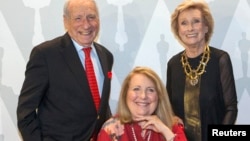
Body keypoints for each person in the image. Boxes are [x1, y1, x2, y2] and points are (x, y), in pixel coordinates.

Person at [16, 0, 113, 141]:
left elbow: (98, 105)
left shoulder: (106, 56)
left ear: (98, 19)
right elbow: (25, 113)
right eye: (78, 18)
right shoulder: (45, 55)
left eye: (91, 17)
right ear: (66, 21)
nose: (86, 24)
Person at [166, 0, 238, 141]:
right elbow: (168, 108)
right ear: (178, 30)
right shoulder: (173, 64)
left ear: (206, 27)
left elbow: (231, 108)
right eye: (184, 23)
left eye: (196, 21)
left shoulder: (220, 59)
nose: (190, 28)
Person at [97, 66, 187, 141]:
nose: (143, 96)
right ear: (125, 94)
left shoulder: (172, 126)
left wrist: (165, 130)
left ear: (159, 96)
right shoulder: (111, 129)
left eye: (150, 90)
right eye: (136, 89)